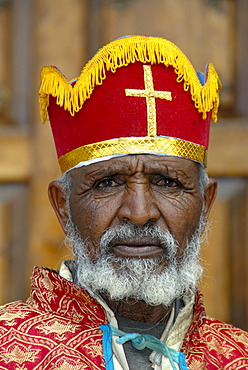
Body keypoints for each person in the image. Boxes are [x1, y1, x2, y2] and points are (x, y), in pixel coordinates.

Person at [0, 35, 247, 370]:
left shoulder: (239, 356)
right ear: (63, 206)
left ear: (205, 203)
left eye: (167, 182)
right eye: (108, 183)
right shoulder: (8, 350)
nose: (140, 213)